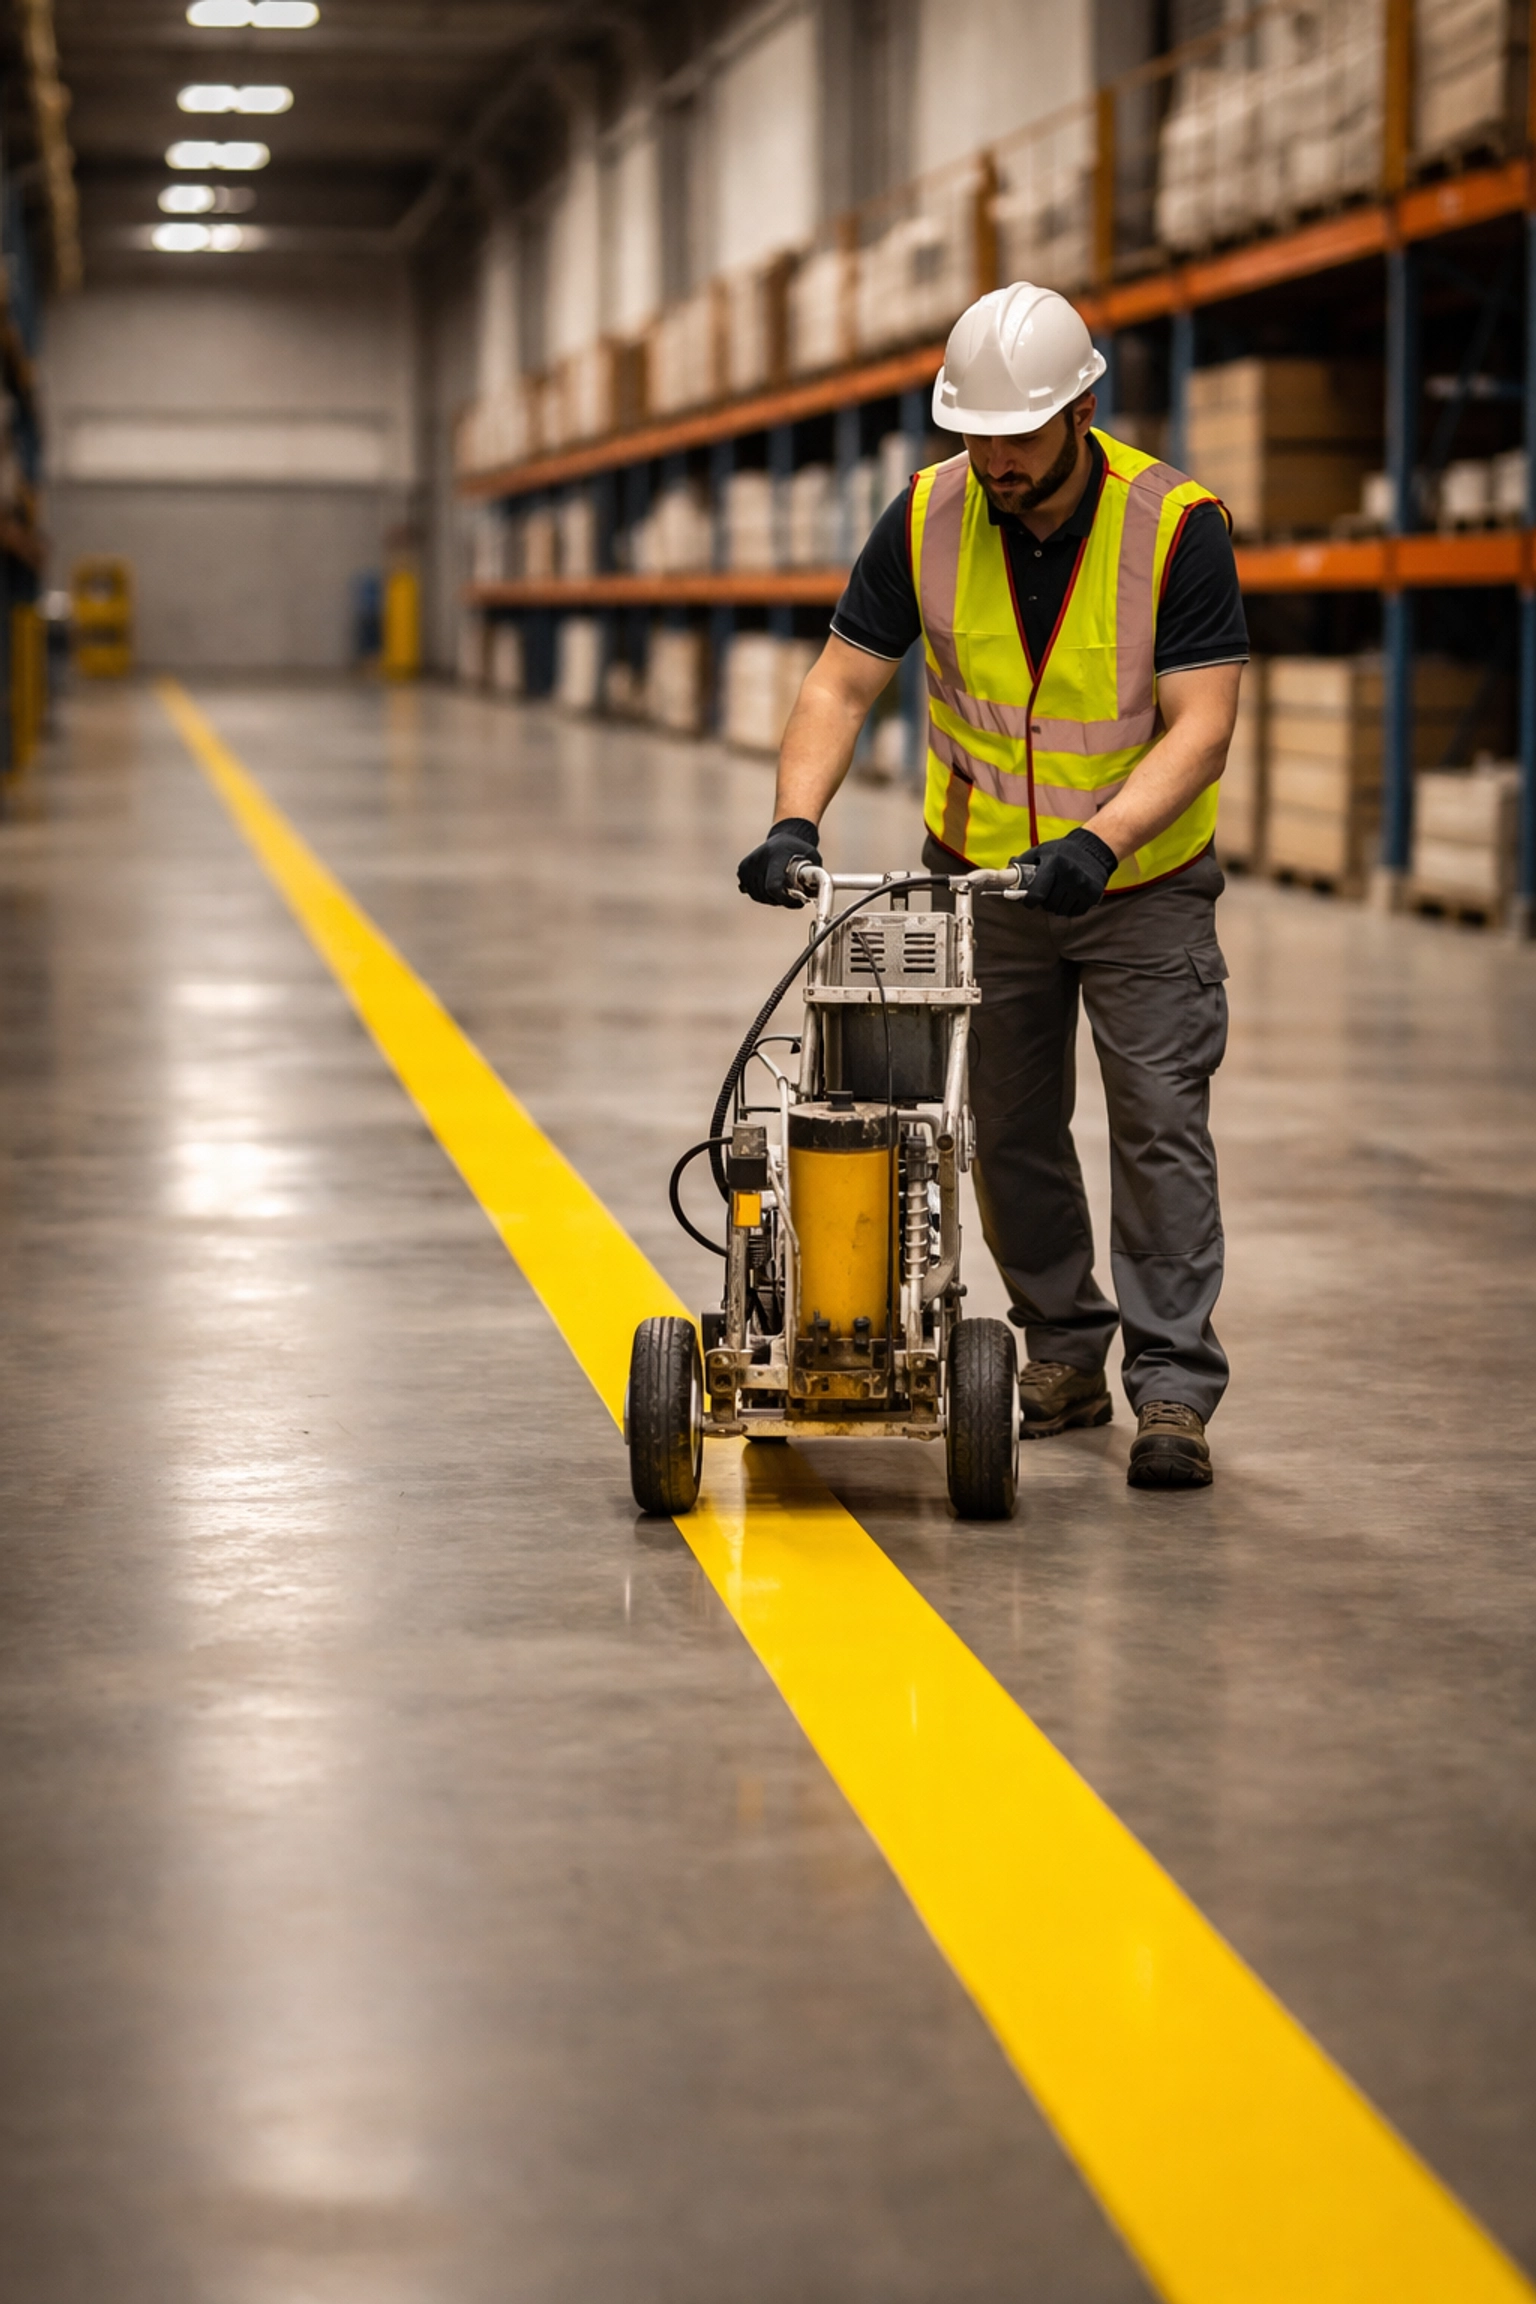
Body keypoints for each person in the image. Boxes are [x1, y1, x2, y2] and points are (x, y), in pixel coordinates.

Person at [736, 280, 1248, 1490]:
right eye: (975, 435)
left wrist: (1103, 842)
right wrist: (789, 819)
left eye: (1018, 436)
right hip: (982, 884)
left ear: (1080, 411)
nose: (996, 462)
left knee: (1159, 1125)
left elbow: (1203, 728)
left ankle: (1172, 1388)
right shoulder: (925, 516)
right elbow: (839, 686)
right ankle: (1062, 1351)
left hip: (1139, 884)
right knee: (1004, 1127)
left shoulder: (1175, 526)